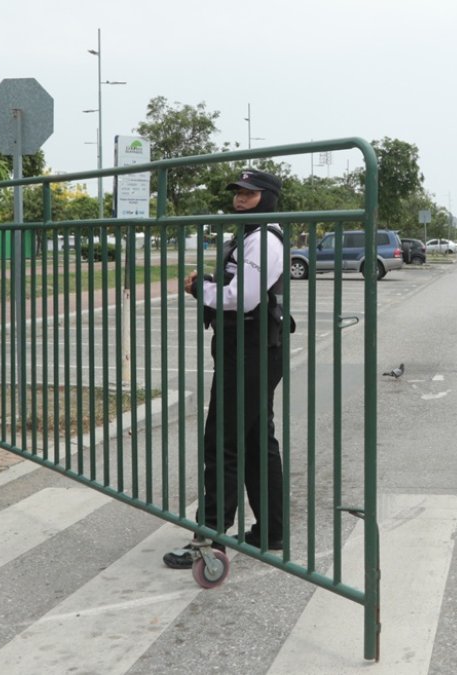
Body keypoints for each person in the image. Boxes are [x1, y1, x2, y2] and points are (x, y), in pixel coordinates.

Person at [164, 168, 290, 568]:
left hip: (251, 349)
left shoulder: (264, 240)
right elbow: (237, 290)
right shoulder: (249, 237)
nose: (239, 198)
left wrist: (202, 288)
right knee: (254, 442)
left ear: (267, 197)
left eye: (249, 193)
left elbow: (245, 297)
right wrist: (208, 283)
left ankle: (210, 537)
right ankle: (271, 530)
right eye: (237, 192)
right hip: (249, 347)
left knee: (223, 443)